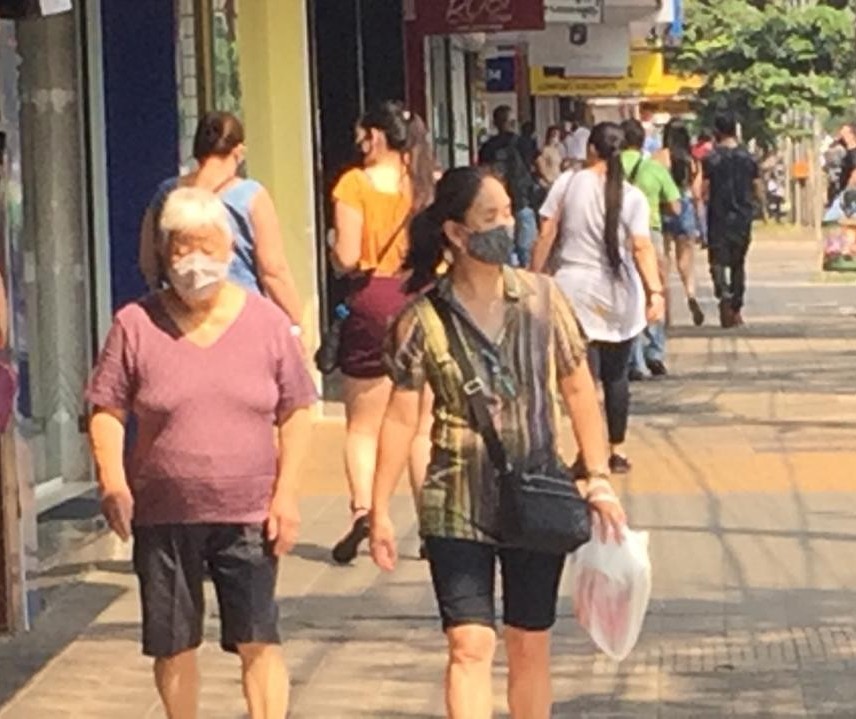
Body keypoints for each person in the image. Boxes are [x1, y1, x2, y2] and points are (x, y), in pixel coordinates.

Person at [369, 166, 627, 719]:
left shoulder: (542, 300)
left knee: (528, 642)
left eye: (509, 212)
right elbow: (398, 419)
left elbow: (580, 389)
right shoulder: (422, 320)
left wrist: (598, 476)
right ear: (456, 234)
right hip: (455, 500)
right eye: (492, 217)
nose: (508, 226)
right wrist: (378, 510)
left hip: (537, 489)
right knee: (469, 644)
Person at [87, 188, 316, 719]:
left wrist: (287, 496)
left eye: (207, 248)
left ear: (230, 246)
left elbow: (297, 410)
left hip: (249, 513)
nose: (195, 264)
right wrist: (112, 483)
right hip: (164, 515)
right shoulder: (134, 325)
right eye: (181, 250)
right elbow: (106, 409)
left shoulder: (267, 325)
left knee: (259, 638)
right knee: (172, 644)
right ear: (165, 254)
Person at [330, 101, 435, 564]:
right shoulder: (423, 186)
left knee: (364, 425)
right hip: (421, 298)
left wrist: (335, 252)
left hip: (372, 301)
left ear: (373, 136)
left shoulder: (353, 185)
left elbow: (349, 258)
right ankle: (431, 526)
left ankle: (366, 511)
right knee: (420, 425)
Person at [529, 122, 665, 474]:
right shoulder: (632, 196)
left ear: (591, 150)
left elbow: (546, 233)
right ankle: (616, 450)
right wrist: (655, 292)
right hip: (620, 293)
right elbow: (641, 247)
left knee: (579, 380)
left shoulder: (568, 182)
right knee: (616, 376)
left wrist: (533, 276)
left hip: (572, 290)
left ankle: (585, 454)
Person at [139, 111, 304, 332]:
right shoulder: (251, 195)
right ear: (238, 151)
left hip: (178, 314)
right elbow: (273, 270)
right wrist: (296, 320)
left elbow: (148, 261)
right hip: (240, 316)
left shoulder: (167, 194)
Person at [618, 119, 682, 380]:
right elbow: (676, 206)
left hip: (618, 236)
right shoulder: (655, 169)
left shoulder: (609, 168)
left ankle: (634, 359)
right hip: (650, 233)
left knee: (628, 294)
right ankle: (654, 351)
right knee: (653, 290)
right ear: (642, 141)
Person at [702, 112, 763, 328]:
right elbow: (757, 187)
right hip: (742, 217)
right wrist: (758, 206)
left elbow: (704, 190)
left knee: (717, 260)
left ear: (716, 132)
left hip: (718, 216)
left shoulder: (711, 159)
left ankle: (723, 291)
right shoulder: (749, 157)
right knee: (738, 263)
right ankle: (736, 305)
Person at [656, 119, 706, 329]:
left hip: (665, 206)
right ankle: (691, 294)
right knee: (686, 260)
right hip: (685, 207)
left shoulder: (659, 158)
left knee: (664, 260)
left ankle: (666, 313)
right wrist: (701, 224)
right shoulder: (693, 161)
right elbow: (696, 195)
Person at [478, 106, 538, 267]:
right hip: (523, 199)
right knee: (526, 250)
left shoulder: (488, 147)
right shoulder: (524, 143)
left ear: (495, 123)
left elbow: (483, 172)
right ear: (512, 122)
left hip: (497, 201)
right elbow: (533, 167)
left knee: (502, 249)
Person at [837, 123, 856, 194]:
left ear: (852, 135)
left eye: (844, 133)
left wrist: (848, 188)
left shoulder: (854, 152)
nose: (842, 135)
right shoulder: (848, 151)